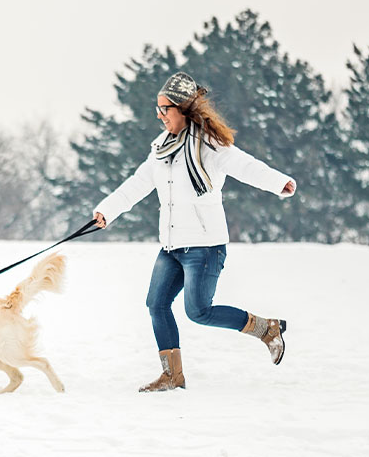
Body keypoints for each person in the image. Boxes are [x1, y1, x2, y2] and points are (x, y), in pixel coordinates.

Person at [92, 72, 296, 393]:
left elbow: (245, 165)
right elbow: (137, 183)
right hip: (171, 245)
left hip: (205, 245)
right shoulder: (161, 148)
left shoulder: (209, 144)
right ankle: (172, 376)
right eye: (157, 109)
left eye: (165, 109)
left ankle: (266, 329)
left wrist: (277, 182)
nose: (159, 116)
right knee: (156, 304)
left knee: (198, 311)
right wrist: (107, 210)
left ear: (183, 109)